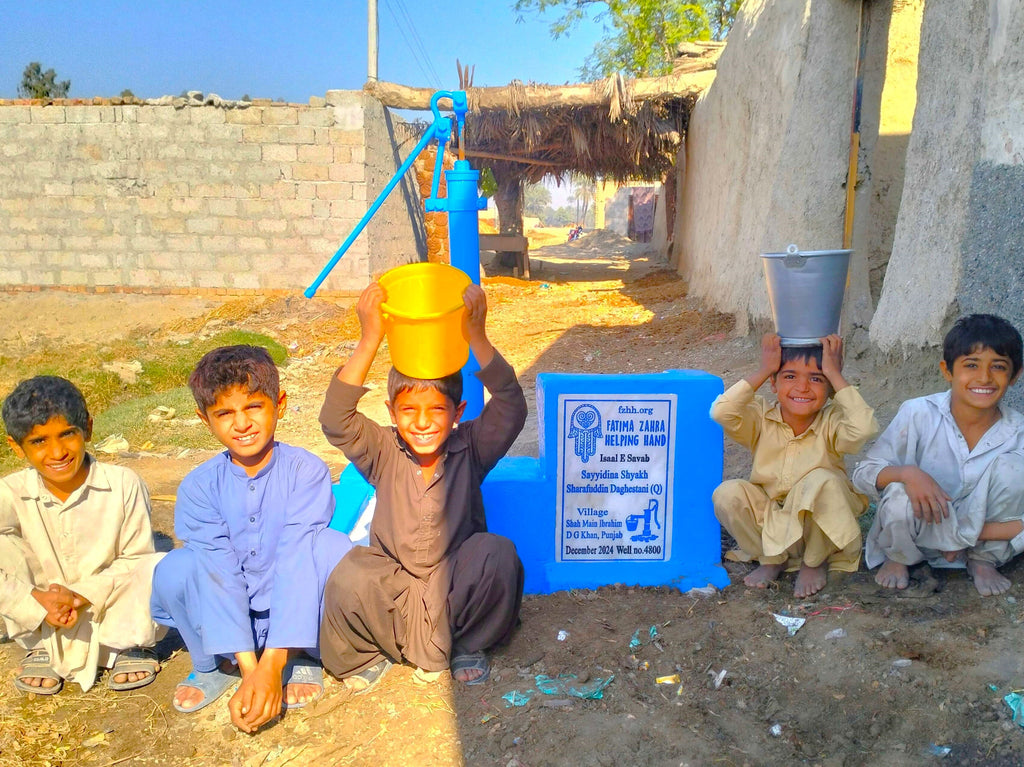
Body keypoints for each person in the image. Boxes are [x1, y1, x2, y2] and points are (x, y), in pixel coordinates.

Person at [318, 281, 527, 691]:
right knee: (351, 571)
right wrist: (371, 337)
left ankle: (468, 643)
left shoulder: (471, 446)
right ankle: (369, 652)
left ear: (457, 413)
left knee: (497, 554)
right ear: (392, 413)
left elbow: (511, 405)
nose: (423, 421)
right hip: (396, 588)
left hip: (455, 589)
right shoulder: (382, 448)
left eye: (437, 410)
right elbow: (335, 419)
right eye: (409, 410)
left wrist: (477, 337)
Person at [150, 345, 351, 732]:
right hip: (226, 618)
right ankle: (214, 665)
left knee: (331, 548)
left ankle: (302, 655)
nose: (241, 424)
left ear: (280, 404)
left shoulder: (305, 470)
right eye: (225, 413)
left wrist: (272, 665)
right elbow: (217, 570)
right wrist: (251, 670)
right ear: (204, 419)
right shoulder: (198, 486)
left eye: (254, 407)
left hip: (296, 611)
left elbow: (297, 556)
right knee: (176, 567)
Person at [1, 376, 163, 696]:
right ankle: (42, 647)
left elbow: (136, 558)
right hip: (46, 613)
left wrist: (80, 594)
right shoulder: (10, 492)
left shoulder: (123, 484)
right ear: (15, 446)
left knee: (155, 564)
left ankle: (133, 647)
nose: (57, 451)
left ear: (87, 429)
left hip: (109, 610)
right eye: (38, 441)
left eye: (67, 435)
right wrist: (36, 600)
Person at [852, 314, 1024, 596]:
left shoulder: (1018, 432)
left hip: (983, 537)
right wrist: (909, 474)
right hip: (918, 532)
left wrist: (965, 535)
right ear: (947, 371)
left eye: (999, 367)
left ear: (1015, 375)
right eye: (971, 365)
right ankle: (900, 557)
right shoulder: (917, 413)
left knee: (1015, 470)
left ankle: (983, 560)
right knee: (899, 491)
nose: (984, 377)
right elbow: (863, 474)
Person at [711, 334, 878, 598]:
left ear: (830, 388)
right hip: (773, 523)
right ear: (773, 383)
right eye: (789, 376)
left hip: (820, 525)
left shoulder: (833, 421)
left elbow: (864, 427)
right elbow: (721, 412)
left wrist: (835, 373)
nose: (802, 387)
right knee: (727, 493)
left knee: (824, 480)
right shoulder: (760, 418)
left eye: (816, 378)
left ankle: (814, 562)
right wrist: (765, 369)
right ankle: (771, 559)